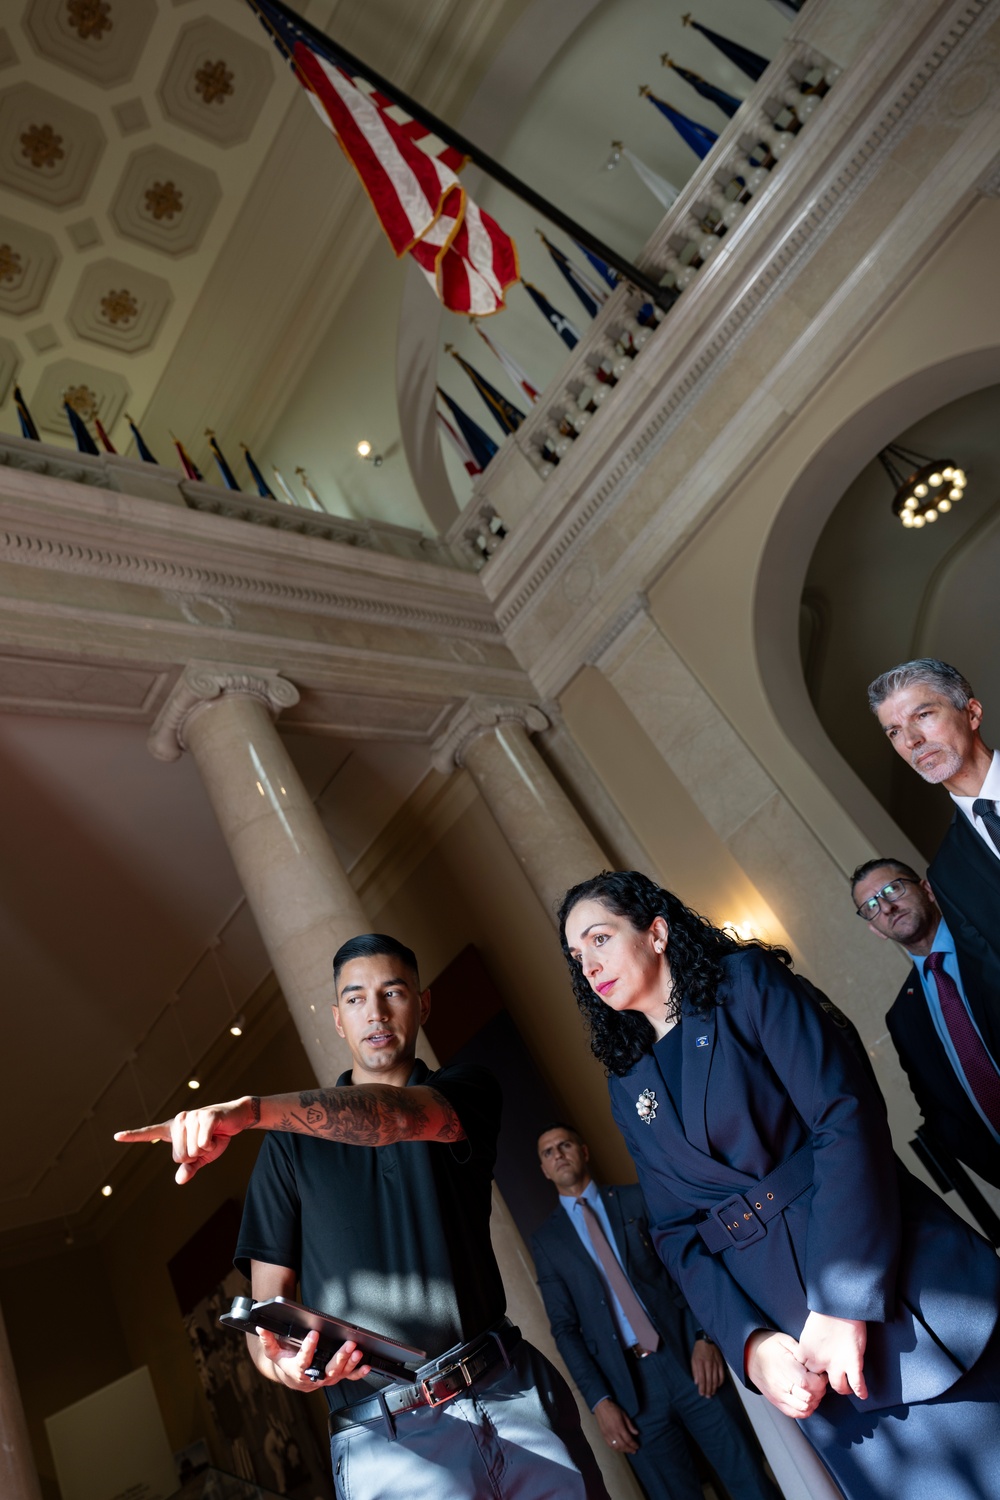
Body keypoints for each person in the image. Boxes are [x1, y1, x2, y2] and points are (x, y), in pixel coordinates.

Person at [115, 932, 610, 1500]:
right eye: (354, 999)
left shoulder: (464, 1092)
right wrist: (285, 1369)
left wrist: (251, 1111)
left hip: (510, 1395)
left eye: (392, 992)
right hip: (385, 1440)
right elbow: (263, 1322)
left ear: (421, 1005)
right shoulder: (286, 1148)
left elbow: (392, 1118)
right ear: (336, 1018)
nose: (374, 1013)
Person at [557, 870, 1000, 1500]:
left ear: (656, 932)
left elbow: (844, 1118)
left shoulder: (745, 985)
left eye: (600, 939)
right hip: (797, 1357)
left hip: (896, 1294)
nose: (589, 965)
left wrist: (844, 1299)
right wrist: (753, 1345)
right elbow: (676, 1233)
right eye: (577, 957)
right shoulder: (629, 1084)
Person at [531, 1123, 780, 1500]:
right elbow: (564, 1329)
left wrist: (705, 1336)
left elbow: (687, 1267)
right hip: (629, 1394)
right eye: (548, 1152)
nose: (558, 1154)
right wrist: (599, 1402)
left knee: (749, 1480)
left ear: (583, 1151)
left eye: (564, 1145)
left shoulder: (636, 1199)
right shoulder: (547, 1243)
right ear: (544, 1171)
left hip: (690, 1363)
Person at [850, 856, 1000, 1189]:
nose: (887, 907)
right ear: (876, 929)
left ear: (927, 889)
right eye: (871, 906)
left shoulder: (990, 937)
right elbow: (940, 1113)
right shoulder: (902, 1017)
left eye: (893, 889)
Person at [867, 659, 1000, 952]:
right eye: (895, 732)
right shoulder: (946, 875)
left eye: (923, 715)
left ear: (973, 713)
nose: (912, 740)